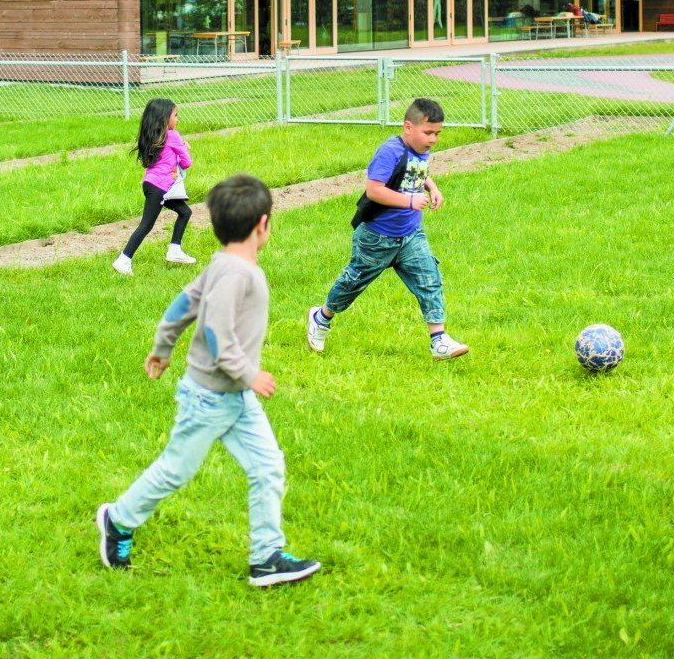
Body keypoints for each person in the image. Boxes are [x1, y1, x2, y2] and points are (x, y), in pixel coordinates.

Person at [96, 173, 321, 588]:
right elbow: (216, 332)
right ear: (262, 225)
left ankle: (266, 557)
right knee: (175, 470)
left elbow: (183, 304)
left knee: (268, 466)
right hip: (210, 396)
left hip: (232, 397)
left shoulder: (223, 265)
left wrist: (163, 346)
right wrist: (248, 373)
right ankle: (118, 519)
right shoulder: (238, 274)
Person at [306, 98, 469, 361]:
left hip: (411, 234)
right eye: (428, 133)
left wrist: (432, 187)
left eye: (437, 133)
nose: (433, 139)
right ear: (408, 126)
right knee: (352, 284)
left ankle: (439, 340)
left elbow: (417, 171)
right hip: (377, 237)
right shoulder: (389, 151)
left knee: (430, 279)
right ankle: (321, 317)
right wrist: (410, 201)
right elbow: (375, 190)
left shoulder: (420, 149)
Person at [114, 97, 195, 275]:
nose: (178, 119)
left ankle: (175, 250)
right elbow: (187, 163)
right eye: (175, 115)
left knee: (185, 212)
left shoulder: (153, 136)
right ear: (165, 118)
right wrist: (184, 148)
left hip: (152, 185)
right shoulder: (173, 136)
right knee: (146, 224)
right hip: (160, 188)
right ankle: (124, 259)